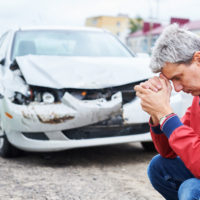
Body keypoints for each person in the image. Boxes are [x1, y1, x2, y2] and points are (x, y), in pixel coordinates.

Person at [134, 23, 200, 200]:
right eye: (172, 81)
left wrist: (166, 113)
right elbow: (169, 151)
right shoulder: (198, 99)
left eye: (178, 77)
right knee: (159, 166)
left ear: (198, 59)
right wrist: (157, 114)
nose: (177, 88)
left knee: (192, 188)